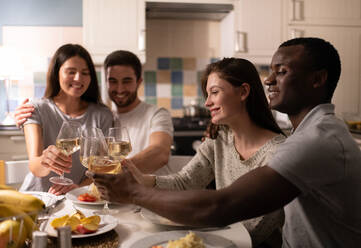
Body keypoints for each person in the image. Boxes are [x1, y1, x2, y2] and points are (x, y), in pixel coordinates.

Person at [87, 37, 361, 247]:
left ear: (318, 79)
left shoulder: (315, 141)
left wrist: (135, 193)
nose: (268, 79)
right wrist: (142, 183)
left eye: (281, 71)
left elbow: (222, 206)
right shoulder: (308, 134)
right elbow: (196, 189)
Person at [104, 58, 287, 246]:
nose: (207, 102)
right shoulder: (219, 139)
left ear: (243, 92)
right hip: (222, 238)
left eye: (215, 92)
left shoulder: (278, 153)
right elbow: (185, 182)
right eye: (207, 94)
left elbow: (256, 230)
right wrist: (144, 180)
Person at [15, 50, 173, 174]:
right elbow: (35, 165)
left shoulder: (156, 114)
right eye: (113, 81)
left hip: (149, 195)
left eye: (127, 81)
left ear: (139, 82)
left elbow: (159, 153)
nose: (119, 89)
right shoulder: (107, 115)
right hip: (115, 197)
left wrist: (112, 171)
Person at [20, 44, 113, 195]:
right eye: (71, 72)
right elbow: (35, 167)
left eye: (85, 73)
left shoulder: (102, 115)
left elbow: (101, 168)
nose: (78, 78)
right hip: (38, 198)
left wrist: (79, 189)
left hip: (77, 199)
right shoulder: (35, 109)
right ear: (57, 73)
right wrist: (46, 160)